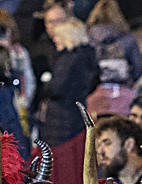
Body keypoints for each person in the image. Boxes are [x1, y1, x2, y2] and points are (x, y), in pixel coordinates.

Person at [37, 12, 99, 145]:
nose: (55, 40)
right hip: (77, 112)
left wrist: (46, 84)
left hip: (60, 118)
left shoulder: (67, 59)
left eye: (58, 36)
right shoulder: (87, 56)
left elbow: (56, 88)